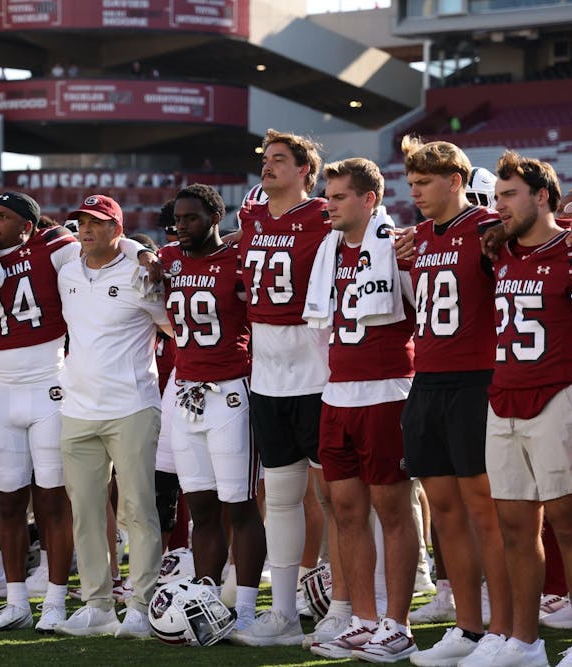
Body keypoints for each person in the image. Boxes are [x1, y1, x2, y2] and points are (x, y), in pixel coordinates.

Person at [0, 193, 158, 633]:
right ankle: (18, 600)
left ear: (29, 225)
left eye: (3, 217)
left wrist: (146, 250)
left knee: (57, 500)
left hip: (53, 384)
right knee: (9, 500)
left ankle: (59, 600)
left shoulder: (54, 246)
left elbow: (110, 244)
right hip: (3, 386)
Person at [394, 136, 513, 666]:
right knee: (443, 511)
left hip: (476, 379)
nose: (415, 191)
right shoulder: (419, 235)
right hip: (428, 379)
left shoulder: (487, 229)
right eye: (412, 182)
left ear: (456, 182)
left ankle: (505, 629)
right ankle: (467, 626)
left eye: (424, 182)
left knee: (485, 511)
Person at [484, 151, 572, 667]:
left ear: (542, 196)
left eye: (510, 195)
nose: (500, 206)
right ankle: (524, 641)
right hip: (504, 394)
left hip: (561, 391)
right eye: (497, 196)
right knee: (514, 526)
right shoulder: (498, 249)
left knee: (568, 522)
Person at [304, 159, 419, 663]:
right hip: (337, 393)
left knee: (392, 511)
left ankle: (398, 623)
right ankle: (364, 619)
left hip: (387, 391)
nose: (328, 204)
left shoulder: (399, 248)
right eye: (327, 196)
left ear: (369, 199)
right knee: (346, 511)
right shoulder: (328, 250)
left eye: (339, 196)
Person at [227, 129, 330, 647]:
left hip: (316, 367)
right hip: (266, 372)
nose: (267, 167)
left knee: (336, 499)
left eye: (280, 160)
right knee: (282, 496)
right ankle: (285, 612)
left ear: (304, 170)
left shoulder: (324, 217)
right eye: (265, 159)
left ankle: (348, 608)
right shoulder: (251, 219)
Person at [54, 194, 171, 639]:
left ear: (115, 230)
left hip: (132, 407)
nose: (85, 229)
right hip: (77, 409)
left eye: (97, 223)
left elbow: (172, 326)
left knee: (138, 511)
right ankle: (98, 605)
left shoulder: (142, 272)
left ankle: (140, 606)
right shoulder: (67, 269)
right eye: (81, 221)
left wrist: (143, 253)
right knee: (84, 513)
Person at [158, 184, 266, 632]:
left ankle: (242, 608)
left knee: (239, 508)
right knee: (199, 508)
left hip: (231, 392)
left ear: (215, 218)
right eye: (178, 219)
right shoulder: (169, 259)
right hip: (185, 393)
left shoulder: (238, 261)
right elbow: (138, 253)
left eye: (192, 218)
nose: (182, 226)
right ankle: (203, 600)